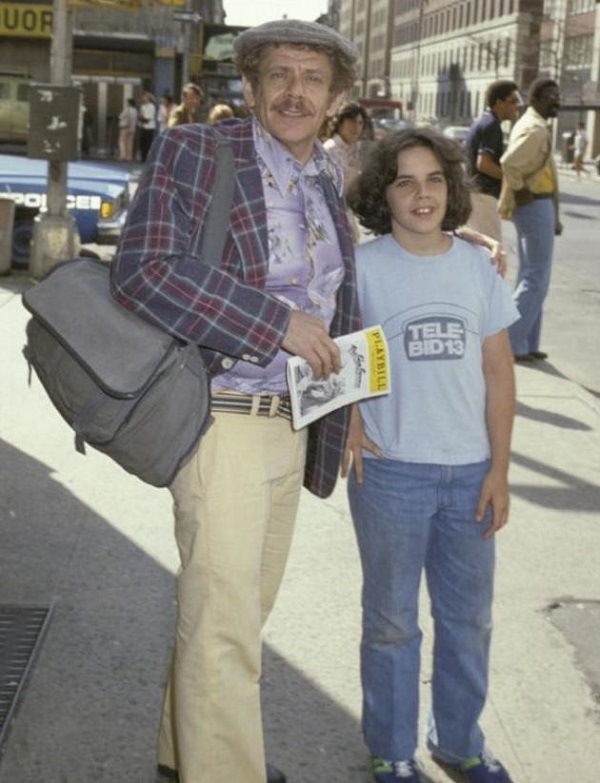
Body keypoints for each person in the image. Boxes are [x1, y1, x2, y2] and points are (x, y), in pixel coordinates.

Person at [110, 19, 361, 783]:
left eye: (311, 79)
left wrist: (346, 411)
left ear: (334, 98)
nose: (294, 92)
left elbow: (337, 306)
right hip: (219, 420)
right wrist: (271, 321)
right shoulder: (198, 150)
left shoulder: (325, 177)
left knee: (234, 616)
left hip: (291, 425)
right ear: (249, 87)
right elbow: (143, 270)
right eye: (278, 75)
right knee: (225, 630)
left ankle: (183, 752)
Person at [343, 127, 519, 783]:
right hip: (391, 475)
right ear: (383, 193)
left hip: (470, 471)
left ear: (453, 187)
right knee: (391, 623)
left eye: (435, 179)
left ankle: (458, 741)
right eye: (405, 181)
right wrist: (351, 415)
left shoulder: (477, 265)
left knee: (468, 619)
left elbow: (499, 372)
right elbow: (342, 351)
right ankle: (392, 748)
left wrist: (500, 469)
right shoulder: (363, 266)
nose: (422, 194)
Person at [499, 77, 563, 363]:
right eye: (551, 96)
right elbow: (509, 163)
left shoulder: (533, 124)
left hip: (541, 205)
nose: (557, 101)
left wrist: (556, 214)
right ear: (537, 99)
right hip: (534, 204)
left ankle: (525, 343)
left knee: (534, 276)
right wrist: (521, 189)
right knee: (535, 277)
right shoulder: (535, 129)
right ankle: (509, 343)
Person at [464, 79, 521, 241]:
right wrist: (510, 179)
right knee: (491, 249)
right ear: (499, 102)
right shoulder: (492, 126)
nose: (516, 106)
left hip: (476, 194)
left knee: (478, 247)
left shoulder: (483, 121)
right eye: (513, 101)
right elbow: (484, 164)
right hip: (484, 196)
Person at [323, 100, 369, 242]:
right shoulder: (329, 151)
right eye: (351, 121)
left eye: (360, 123)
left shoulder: (355, 151)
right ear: (340, 122)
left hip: (347, 217)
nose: (356, 127)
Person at [137, 91, 157, 162]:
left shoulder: (152, 106)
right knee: (142, 143)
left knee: (148, 143)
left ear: (148, 98)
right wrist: (141, 118)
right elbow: (140, 116)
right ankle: (143, 157)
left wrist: (142, 118)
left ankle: (147, 158)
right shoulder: (143, 106)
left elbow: (149, 118)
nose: (143, 98)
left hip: (149, 127)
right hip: (143, 126)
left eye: (145, 97)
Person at [117, 97, 137, 162]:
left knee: (122, 142)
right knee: (130, 143)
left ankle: (123, 155)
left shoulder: (127, 110)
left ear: (129, 103)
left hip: (125, 127)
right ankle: (129, 157)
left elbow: (120, 116)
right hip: (132, 129)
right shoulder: (135, 111)